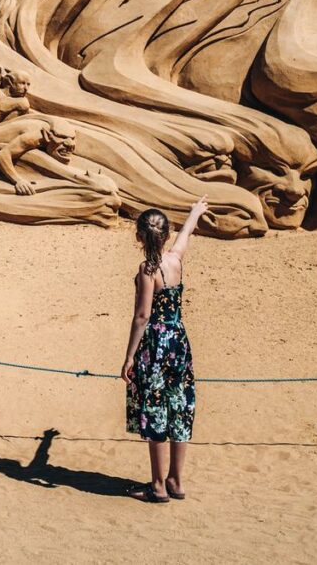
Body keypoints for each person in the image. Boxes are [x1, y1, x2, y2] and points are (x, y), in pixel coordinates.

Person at [121, 197, 208, 503]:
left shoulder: (149, 269)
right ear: (167, 235)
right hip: (179, 342)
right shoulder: (175, 261)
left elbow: (142, 316)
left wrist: (130, 356)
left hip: (156, 345)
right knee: (180, 406)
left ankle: (158, 486)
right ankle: (177, 480)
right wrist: (195, 213)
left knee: (156, 409)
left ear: (140, 238)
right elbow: (185, 237)